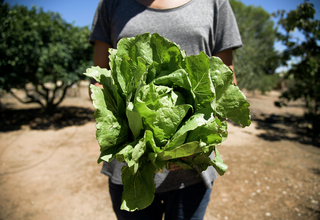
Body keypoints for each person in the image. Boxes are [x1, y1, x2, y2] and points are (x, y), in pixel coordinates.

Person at [88, 0, 242, 219]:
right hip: (131, 167)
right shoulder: (112, 4)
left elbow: (226, 79)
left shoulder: (215, 3)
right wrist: (111, 120)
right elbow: (99, 77)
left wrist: (194, 144)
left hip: (193, 170)